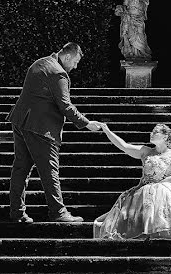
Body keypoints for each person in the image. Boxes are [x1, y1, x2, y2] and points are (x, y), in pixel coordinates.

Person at [7, 43, 103, 223]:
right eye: (74, 62)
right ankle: (58, 212)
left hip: (21, 121)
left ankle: (17, 213)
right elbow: (65, 105)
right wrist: (87, 123)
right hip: (40, 127)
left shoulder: (40, 63)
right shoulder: (58, 72)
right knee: (49, 169)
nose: (75, 67)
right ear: (67, 57)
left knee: (21, 167)